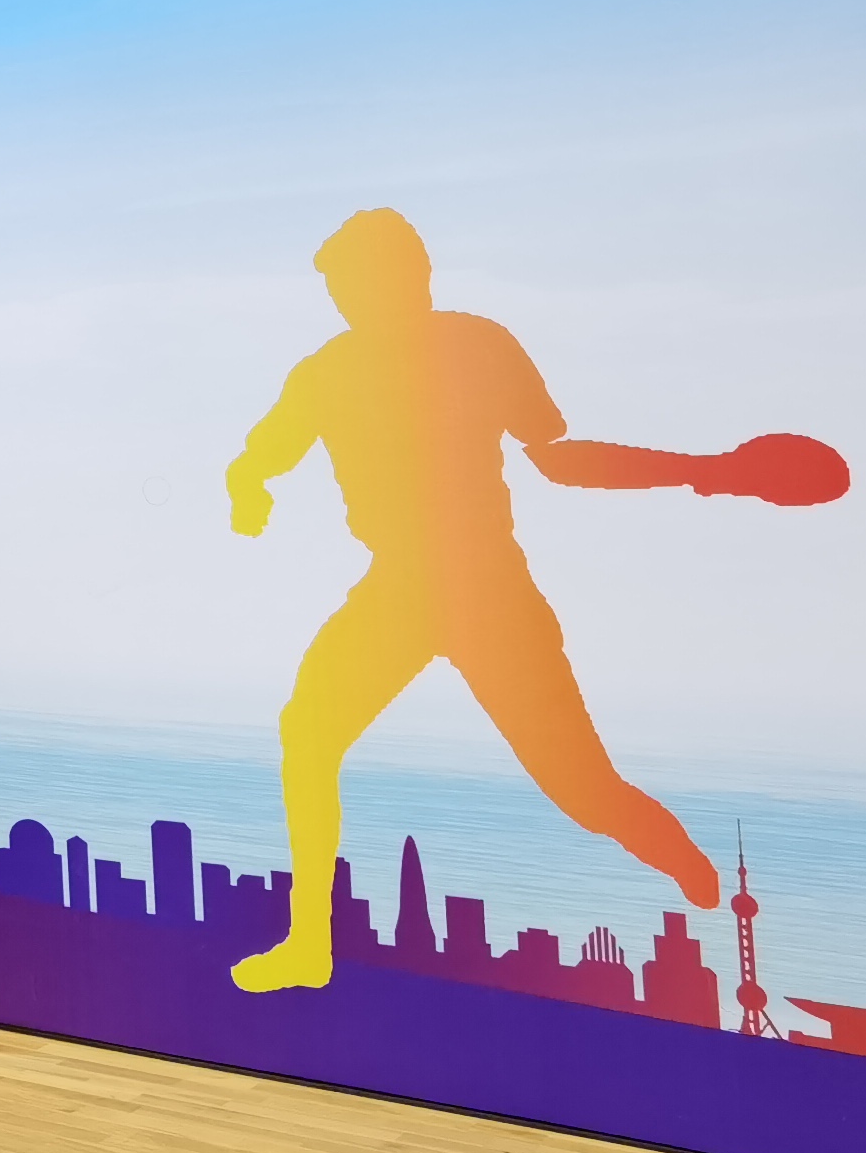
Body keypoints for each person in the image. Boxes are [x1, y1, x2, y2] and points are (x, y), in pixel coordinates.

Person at [223, 210, 722, 993]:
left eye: (363, 283)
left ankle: (673, 851)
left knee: (585, 792)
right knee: (308, 735)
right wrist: (247, 489)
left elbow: (559, 458)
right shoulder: (326, 372)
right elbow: (260, 455)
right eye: (341, 291)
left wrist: (704, 471)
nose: (353, 302)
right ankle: (308, 943)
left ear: (413, 275)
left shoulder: (478, 344)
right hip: (399, 590)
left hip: (488, 589)